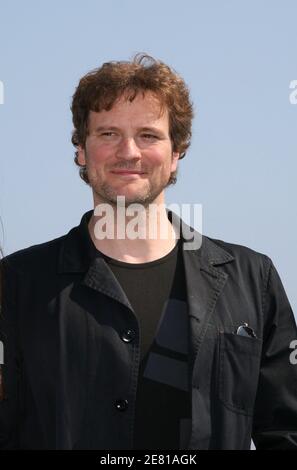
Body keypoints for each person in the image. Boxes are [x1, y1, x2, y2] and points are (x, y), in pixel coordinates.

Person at [0, 53, 297, 450]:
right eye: (107, 134)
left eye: (148, 135)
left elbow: (287, 431)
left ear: (176, 153)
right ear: (81, 152)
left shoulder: (252, 279)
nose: (129, 152)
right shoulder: (16, 284)